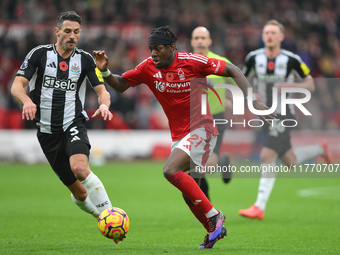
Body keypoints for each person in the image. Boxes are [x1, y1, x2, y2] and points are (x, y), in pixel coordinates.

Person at [93, 25, 275, 249]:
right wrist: (106, 72)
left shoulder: (192, 61)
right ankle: (212, 231)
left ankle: (215, 216)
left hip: (203, 129)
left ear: (171, 48)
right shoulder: (148, 67)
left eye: (158, 48)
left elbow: (232, 69)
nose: (153, 53)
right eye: (151, 49)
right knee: (190, 195)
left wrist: (253, 100)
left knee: (170, 170)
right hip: (180, 135)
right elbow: (121, 85)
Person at [10, 11, 116, 240]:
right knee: (79, 192)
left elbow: (102, 91)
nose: (72, 36)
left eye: (76, 32)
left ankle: (110, 215)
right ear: (57, 31)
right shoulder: (39, 54)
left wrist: (105, 105)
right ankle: (101, 218)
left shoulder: (85, 59)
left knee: (80, 169)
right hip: (47, 133)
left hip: (73, 124)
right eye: (67, 31)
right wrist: (27, 100)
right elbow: (17, 85)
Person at [239, 20, 332, 220]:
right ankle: (319, 149)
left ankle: (259, 206)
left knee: (266, 156)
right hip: (263, 113)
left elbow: (311, 85)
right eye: (266, 33)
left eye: (273, 33)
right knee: (289, 161)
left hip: (283, 113)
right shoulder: (253, 58)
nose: (269, 36)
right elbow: (242, 81)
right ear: (263, 37)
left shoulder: (291, 60)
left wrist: (290, 86)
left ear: (281, 37)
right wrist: (252, 94)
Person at [190, 26, 232, 200]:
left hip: (216, 118)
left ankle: (222, 162)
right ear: (192, 42)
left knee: (208, 164)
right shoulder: (185, 63)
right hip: (193, 120)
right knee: (194, 166)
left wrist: (234, 100)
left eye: (203, 38)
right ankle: (206, 206)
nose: (200, 41)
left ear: (209, 41)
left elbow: (239, 81)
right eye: (196, 38)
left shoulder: (220, 61)